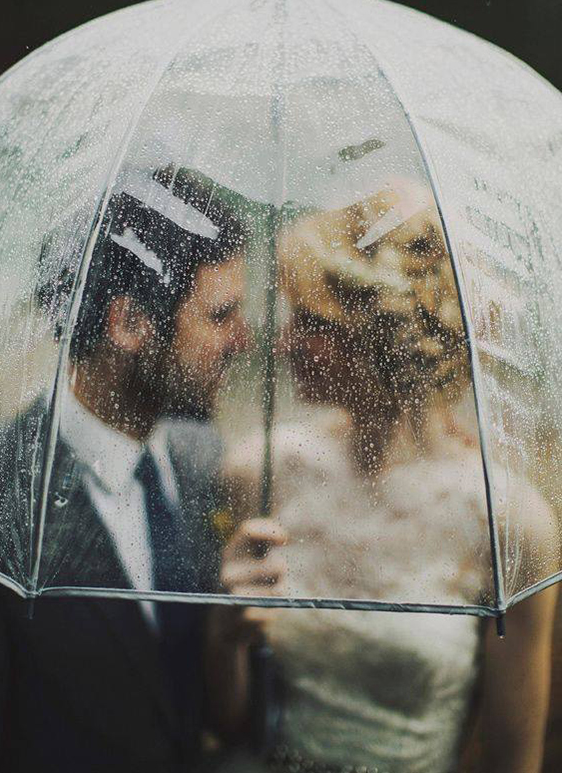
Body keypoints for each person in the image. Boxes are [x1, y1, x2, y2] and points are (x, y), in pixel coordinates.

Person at [217, 185, 559, 773]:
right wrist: (223, 636)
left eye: (309, 321)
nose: (282, 342)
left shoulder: (510, 521)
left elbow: (513, 758)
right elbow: (225, 724)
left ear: (375, 334)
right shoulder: (262, 468)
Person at [0, 164, 284, 773]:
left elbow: (226, 724)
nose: (243, 340)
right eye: (220, 316)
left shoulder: (203, 460)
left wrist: (225, 642)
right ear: (129, 323)